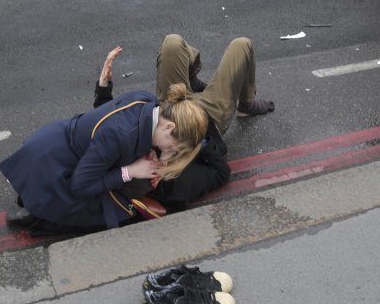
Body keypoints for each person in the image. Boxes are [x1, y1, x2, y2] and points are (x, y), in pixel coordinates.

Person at [0, 83, 209, 235]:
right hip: (53, 169)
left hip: (55, 144)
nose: (169, 154)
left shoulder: (149, 102)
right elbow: (80, 186)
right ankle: (39, 217)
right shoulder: (119, 135)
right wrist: (130, 172)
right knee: (116, 215)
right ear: (168, 127)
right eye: (173, 148)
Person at [93, 35, 274, 211]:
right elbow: (221, 173)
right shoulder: (179, 187)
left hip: (172, 105)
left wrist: (103, 88)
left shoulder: (128, 155)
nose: (151, 154)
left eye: (145, 157)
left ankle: (190, 80)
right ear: (154, 178)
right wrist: (198, 136)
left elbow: (107, 125)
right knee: (242, 45)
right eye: (152, 161)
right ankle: (246, 102)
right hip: (208, 117)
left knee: (172, 43)